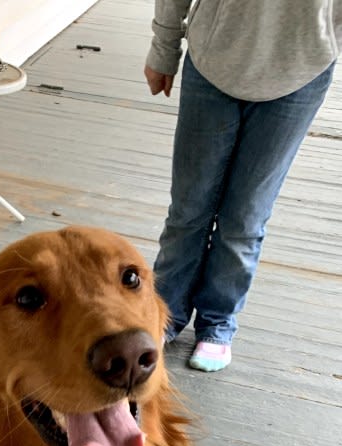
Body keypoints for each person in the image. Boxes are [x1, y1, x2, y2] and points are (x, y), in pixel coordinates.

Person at [145, 1, 340, 371]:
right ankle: (164, 312)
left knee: (246, 218)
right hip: (213, 60)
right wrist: (164, 48)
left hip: (300, 71)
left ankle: (218, 322)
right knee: (188, 209)